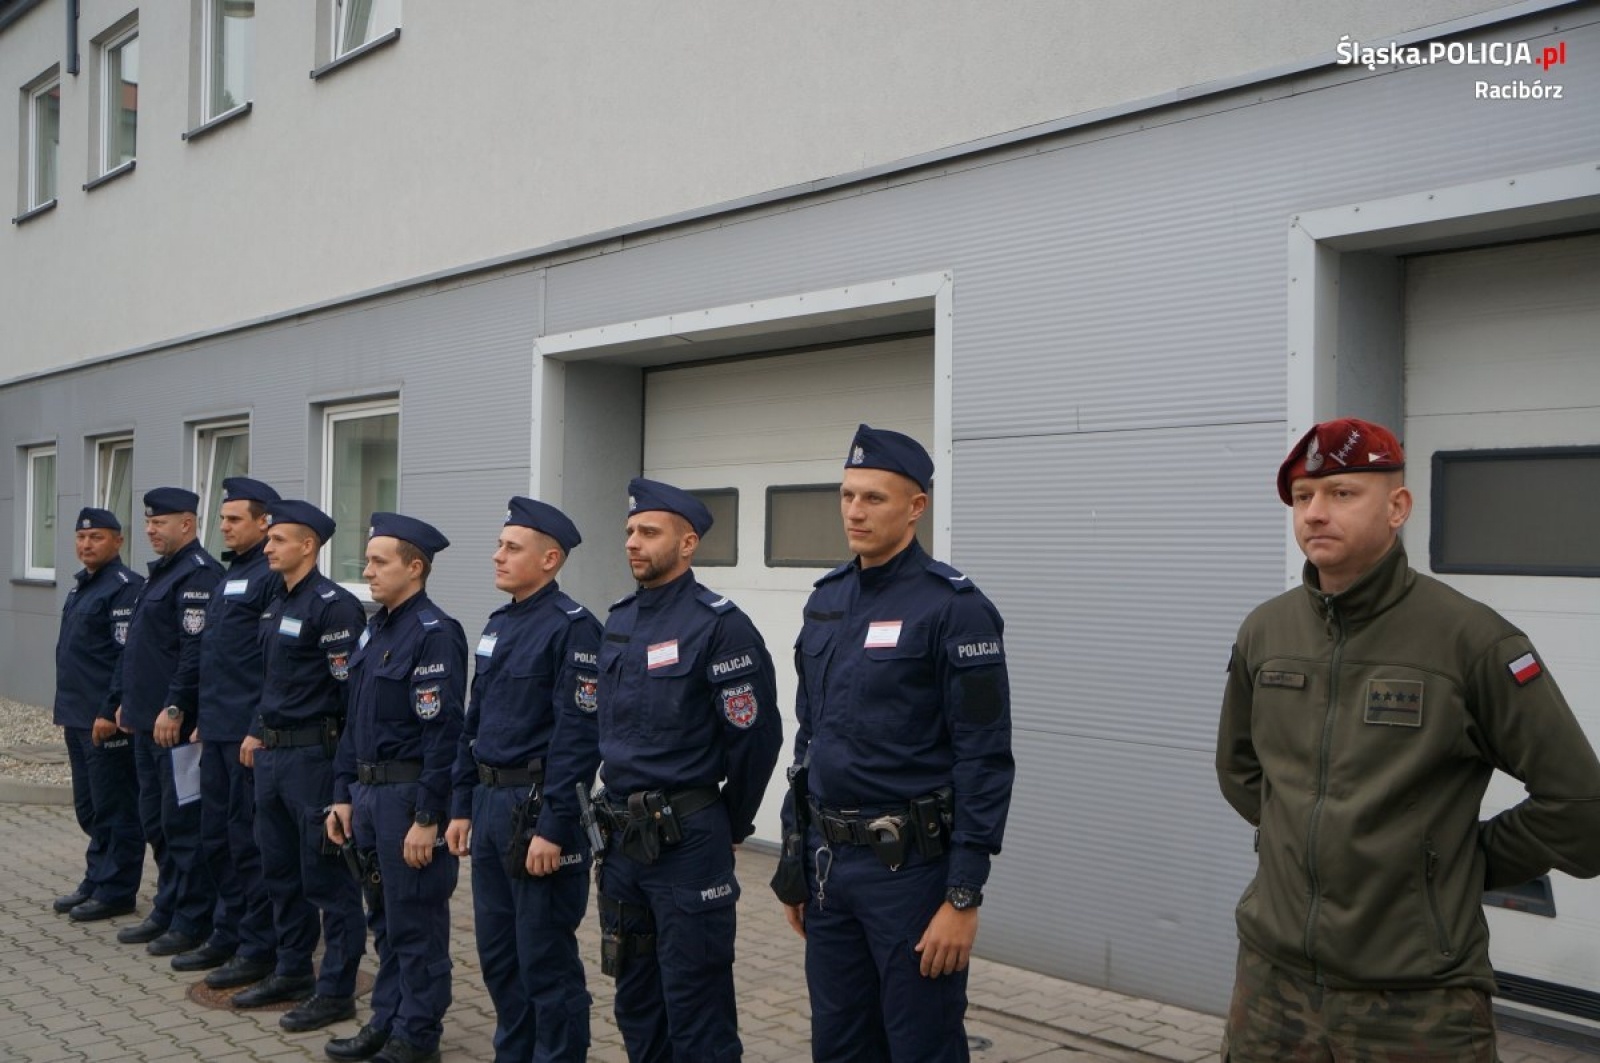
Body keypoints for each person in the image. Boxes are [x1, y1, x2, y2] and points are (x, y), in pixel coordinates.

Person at [1216, 417, 1600, 1062]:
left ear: (1397, 508)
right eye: (1303, 497)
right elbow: (1240, 770)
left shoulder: (1472, 641)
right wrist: (1307, 839)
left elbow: (1581, 807)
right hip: (1271, 987)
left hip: (1415, 1001)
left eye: (1341, 493)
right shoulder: (1266, 631)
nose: (1315, 513)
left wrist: (1446, 864)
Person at [776, 425, 1014, 1063]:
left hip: (910, 875)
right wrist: (795, 856)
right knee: (840, 1045)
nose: (854, 511)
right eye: (847, 495)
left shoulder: (954, 609)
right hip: (831, 870)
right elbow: (809, 739)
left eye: (874, 498)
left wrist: (963, 895)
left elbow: (984, 759)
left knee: (921, 1047)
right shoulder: (828, 599)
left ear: (916, 507)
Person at [594, 477, 782, 1063]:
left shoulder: (719, 626)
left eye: (649, 532)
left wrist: (731, 822)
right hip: (621, 843)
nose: (633, 542)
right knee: (636, 1001)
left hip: (686, 843)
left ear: (688, 543)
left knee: (697, 1008)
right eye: (630, 530)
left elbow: (755, 738)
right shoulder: (620, 620)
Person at [444, 497, 602, 1063]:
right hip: (490, 805)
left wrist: (555, 827)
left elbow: (578, 739)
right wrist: (461, 804)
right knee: (499, 956)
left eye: (512, 548)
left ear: (549, 559)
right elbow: (473, 723)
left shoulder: (574, 629)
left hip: (536, 811)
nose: (497, 556)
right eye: (499, 545)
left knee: (544, 959)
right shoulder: (498, 625)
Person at [327, 513, 467, 1063]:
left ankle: (418, 1034)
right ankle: (386, 1020)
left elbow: (444, 734)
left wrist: (428, 817)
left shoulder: (435, 633)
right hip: (367, 797)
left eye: (379, 562)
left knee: (417, 923)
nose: (368, 571)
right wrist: (341, 795)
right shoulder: (375, 628)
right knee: (384, 921)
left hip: (407, 800)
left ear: (415, 567)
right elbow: (352, 722)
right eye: (367, 561)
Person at [230, 500, 369, 1036]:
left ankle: (335, 991)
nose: (267, 547)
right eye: (268, 539)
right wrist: (257, 729)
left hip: (314, 759)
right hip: (273, 757)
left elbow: (350, 697)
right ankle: (291, 971)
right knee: (280, 871)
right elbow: (271, 682)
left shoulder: (334, 607)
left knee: (328, 880)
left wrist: (344, 777)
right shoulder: (275, 603)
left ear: (308, 546)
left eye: (278, 540)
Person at [173, 477, 281, 980]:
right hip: (215, 729)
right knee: (214, 837)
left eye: (235, 519)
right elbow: (214, 655)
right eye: (222, 518)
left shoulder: (268, 577)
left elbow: (270, 665)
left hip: (245, 737)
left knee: (246, 843)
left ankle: (257, 945)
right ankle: (227, 931)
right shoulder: (230, 573)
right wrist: (199, 717)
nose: (225, 527)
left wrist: (256, 726)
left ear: (264, 522)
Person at [109, 487, 225, 956]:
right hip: (146, 721)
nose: (151, 530)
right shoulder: (161, 574)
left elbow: (195, 650)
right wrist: (127, 701)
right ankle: (168, 907)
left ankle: (192, 918)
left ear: (187, 524)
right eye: (148, 522)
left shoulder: (199, 575)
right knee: (155, 821)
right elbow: (141, 647)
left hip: (174, 726)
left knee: (183, 825)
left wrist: (175, 705)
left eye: (160, 522)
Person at [51, 507, 145, 924]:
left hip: (103, 720)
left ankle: (117, 890)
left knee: (116, 807)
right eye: (81, 537)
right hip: (76, 715)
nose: (87, 544)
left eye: (97, 537)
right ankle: (97, 878)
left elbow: (127, 657)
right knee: (90, 808)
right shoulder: (82, 587)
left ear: (118, 541)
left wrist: (109, 710)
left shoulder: (124, 588)